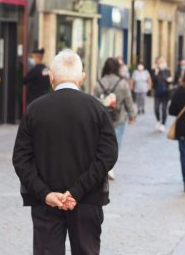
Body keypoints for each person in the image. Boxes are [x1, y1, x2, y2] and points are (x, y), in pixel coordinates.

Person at [12, 49, 118, 255]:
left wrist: (45, 194)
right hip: (87, 199)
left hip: (46, 201)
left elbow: (21, 159)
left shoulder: (34, 109)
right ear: (82, 78)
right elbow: (108, 155)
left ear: (51, 77)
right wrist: (78, 190)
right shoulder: (97, 109)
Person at [94, 57, 136, 180]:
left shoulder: (99, 83)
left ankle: (104, 166)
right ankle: (110, 167)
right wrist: (132, 115)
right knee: (116, 143)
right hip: (119, 118)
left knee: (101, 143)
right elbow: (128, 100)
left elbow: (94, 100)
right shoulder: (122, 83)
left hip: (102, 118)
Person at [150, 56, 171, 132]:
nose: (159, 63)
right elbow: (153, 80)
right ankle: (158, 120)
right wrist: (155, 73)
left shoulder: (167, 70)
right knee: (156, 108)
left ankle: (163, 124)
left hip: (165, 92)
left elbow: (168, 79)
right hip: (157, 91)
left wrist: (162, 72)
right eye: (158, 62)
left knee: (164, 109)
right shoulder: (153, 70)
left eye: (161, 61)